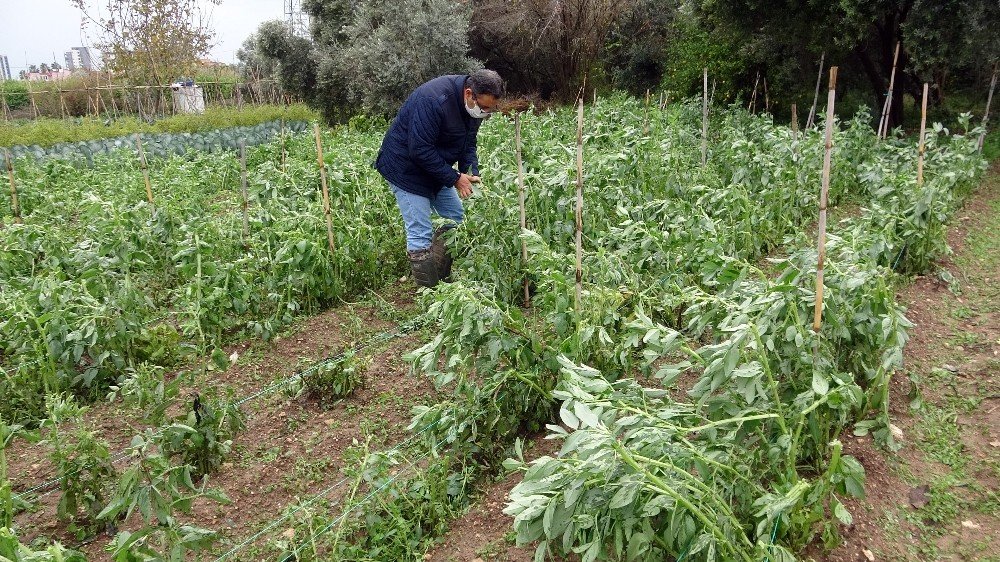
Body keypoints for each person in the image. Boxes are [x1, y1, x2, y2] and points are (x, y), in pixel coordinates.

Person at [375, 69, 504, 288]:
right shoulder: (433, 100)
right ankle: (430, 294)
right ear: (469, 93)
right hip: (405, 168)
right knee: (420, 232)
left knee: (456, 218)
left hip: (434, 167)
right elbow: (419, 149)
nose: (486, 113)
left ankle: (441, 279)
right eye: (484, 107)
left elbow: (468, 143)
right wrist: (455, 178)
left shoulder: (474, 110)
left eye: (490, 109)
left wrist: (471, 172)